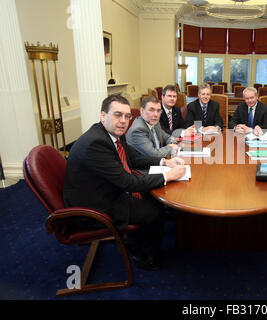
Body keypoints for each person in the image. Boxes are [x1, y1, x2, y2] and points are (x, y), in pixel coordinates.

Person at [63, 94, 186, 271]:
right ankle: (144, 255)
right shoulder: (95, 143)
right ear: (103, 116)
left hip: (102, 190)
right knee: (154, 211)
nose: (123, 121)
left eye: (127, 116)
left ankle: (138, 241)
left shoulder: (111, 133)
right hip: (92, 207)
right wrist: (169, 176)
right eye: (117, 114)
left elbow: (134, 158)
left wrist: (165, 162)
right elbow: (127, 182)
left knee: (152, 199)